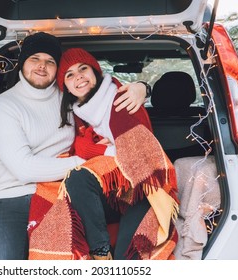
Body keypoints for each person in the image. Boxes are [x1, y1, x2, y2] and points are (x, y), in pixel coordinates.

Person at [0, 33, 148, 260]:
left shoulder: (69, 96)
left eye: (50, 61)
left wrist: (142, 87)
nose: (42, 66)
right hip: (12, 195)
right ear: (22, 63)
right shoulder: (3, 105)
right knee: (5, 263)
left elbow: (104, 93)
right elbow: (24, 169)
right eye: (35, 59)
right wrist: (85, 160)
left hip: (64, 191)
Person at [55, 48, 179, 260]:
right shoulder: (76, 112)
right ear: (64, 85)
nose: (79, 77)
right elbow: (79, 148)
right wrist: (99, 149)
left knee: (125, 257)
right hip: (112, 193)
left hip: (142, 189)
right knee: (76, 179)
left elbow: (140, 153)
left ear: (95, 71)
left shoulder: (122, 98)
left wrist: (98, 149)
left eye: (83, 69)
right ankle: (100, 252)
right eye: (70, 74)